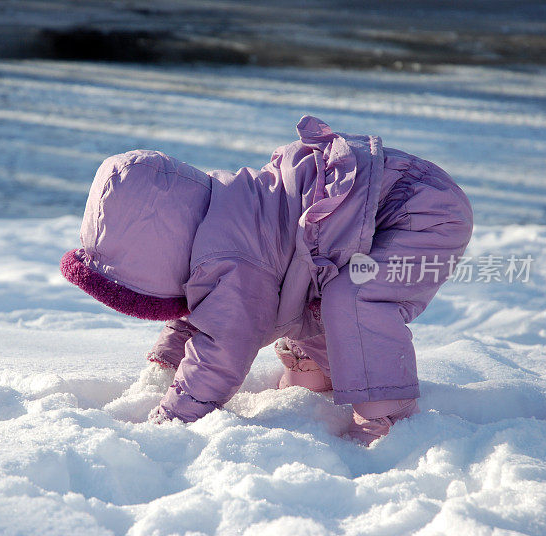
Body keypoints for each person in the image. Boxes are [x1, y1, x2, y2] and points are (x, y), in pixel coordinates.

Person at [60, 115, 473, 445]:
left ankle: (386, 417)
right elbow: (200, 314)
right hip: (369, 211)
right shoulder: (214, 225)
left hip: (417, 211)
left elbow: (221, 346)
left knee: (354, 298)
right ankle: (325, 371)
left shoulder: (227, 259)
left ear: (156, 255)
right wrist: (167, 361)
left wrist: (173, 416)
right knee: (303, 296)